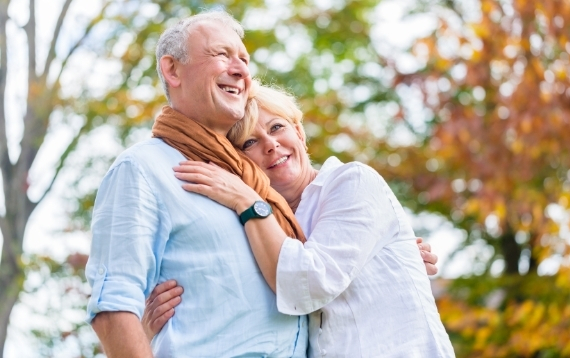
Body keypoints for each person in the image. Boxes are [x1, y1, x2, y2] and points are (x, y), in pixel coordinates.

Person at [144, 83, 455, 357]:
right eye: (249, 143)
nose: (270, 144)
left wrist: (247, 200)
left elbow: (310, 280)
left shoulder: (352, 182)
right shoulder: (258, 227)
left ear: (300, 132)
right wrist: (149, 332)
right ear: (238, 164)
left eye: (277, 127)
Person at [85, 11, 309, 357]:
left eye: (244, 60)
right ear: (172, 70)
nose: (240, 70)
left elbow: (320, 265)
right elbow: (113, 307)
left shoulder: (255, 182)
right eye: (222, 54)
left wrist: (385, 253)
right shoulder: (143, 168)